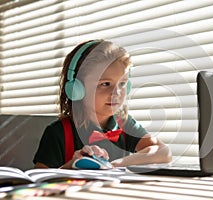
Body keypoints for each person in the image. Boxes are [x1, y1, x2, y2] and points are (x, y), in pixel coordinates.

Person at [33, 39, 172, 169]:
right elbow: (37, 182)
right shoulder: (58, 132)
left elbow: (164, 152)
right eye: (105, 84)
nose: (116, 92)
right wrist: (70, 167)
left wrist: (115, 165)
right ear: (76, 88)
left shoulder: (125, 124)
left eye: (122, 83)